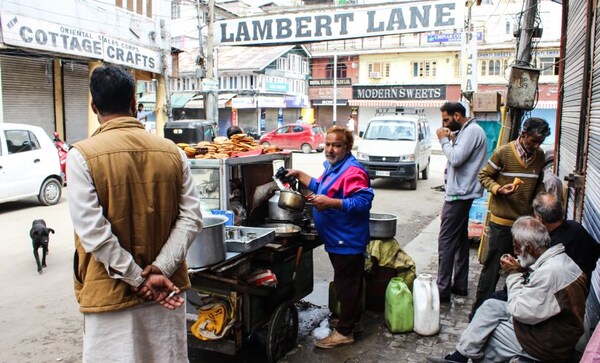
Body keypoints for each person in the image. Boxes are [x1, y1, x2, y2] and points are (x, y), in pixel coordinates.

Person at [66, 65, 204, 362]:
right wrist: (160, 270)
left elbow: (94, 233)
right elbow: (192, 218)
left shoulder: (81, 155)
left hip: (110, 294)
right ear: (134, 104)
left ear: (94, 106)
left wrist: (137, 279)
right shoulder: (172, 151)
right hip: (165, 292)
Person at [427, 216, 587, 363]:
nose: (516, 253)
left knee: (489, 335)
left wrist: (513, 274)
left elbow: (520, 311)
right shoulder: (557, 260)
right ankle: (459, 357)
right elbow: (537, 297)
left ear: (530, 248)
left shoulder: (551, 273)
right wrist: (522, 270)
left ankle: (464, 357)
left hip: (549, 343)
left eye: (517, 248)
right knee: (491, 306)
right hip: (548, 324)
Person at [286, 126, 374, 349]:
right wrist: (300, 175)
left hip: (348, 239)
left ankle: (345, 332)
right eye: (328, 144)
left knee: (347, 285)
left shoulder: (353, 171)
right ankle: (351, 322)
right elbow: (321, 186)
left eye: (337, 145)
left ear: (347, 147)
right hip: (337, 238)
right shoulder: (335, 168)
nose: (331, 149)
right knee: (348, 282)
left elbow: (363, 203)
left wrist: (330, 203)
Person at [473, 117, 550, 312]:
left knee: (522, 268)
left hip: (524, 224)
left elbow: (539, 182)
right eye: (533, 141)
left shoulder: (539, 156)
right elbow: (483, 176)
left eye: (539, 142)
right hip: (502, 222)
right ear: (523, 135)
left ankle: (513, 310)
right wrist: (498, 189)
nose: (536, 145)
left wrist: (539, 203)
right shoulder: (504, 153)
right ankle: (479, 311)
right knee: (493, 269)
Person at [435, 102, 488, 302]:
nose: (444, 124)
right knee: (459, 240)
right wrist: (451, 137)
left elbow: (456, 158)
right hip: (461, 193)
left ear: (457, 115)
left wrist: (443, 140)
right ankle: (460, 285)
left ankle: (442, 289)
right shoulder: (468, 131)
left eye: (447, 119)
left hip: (459, 195)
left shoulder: (473, 131)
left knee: (446, 241)